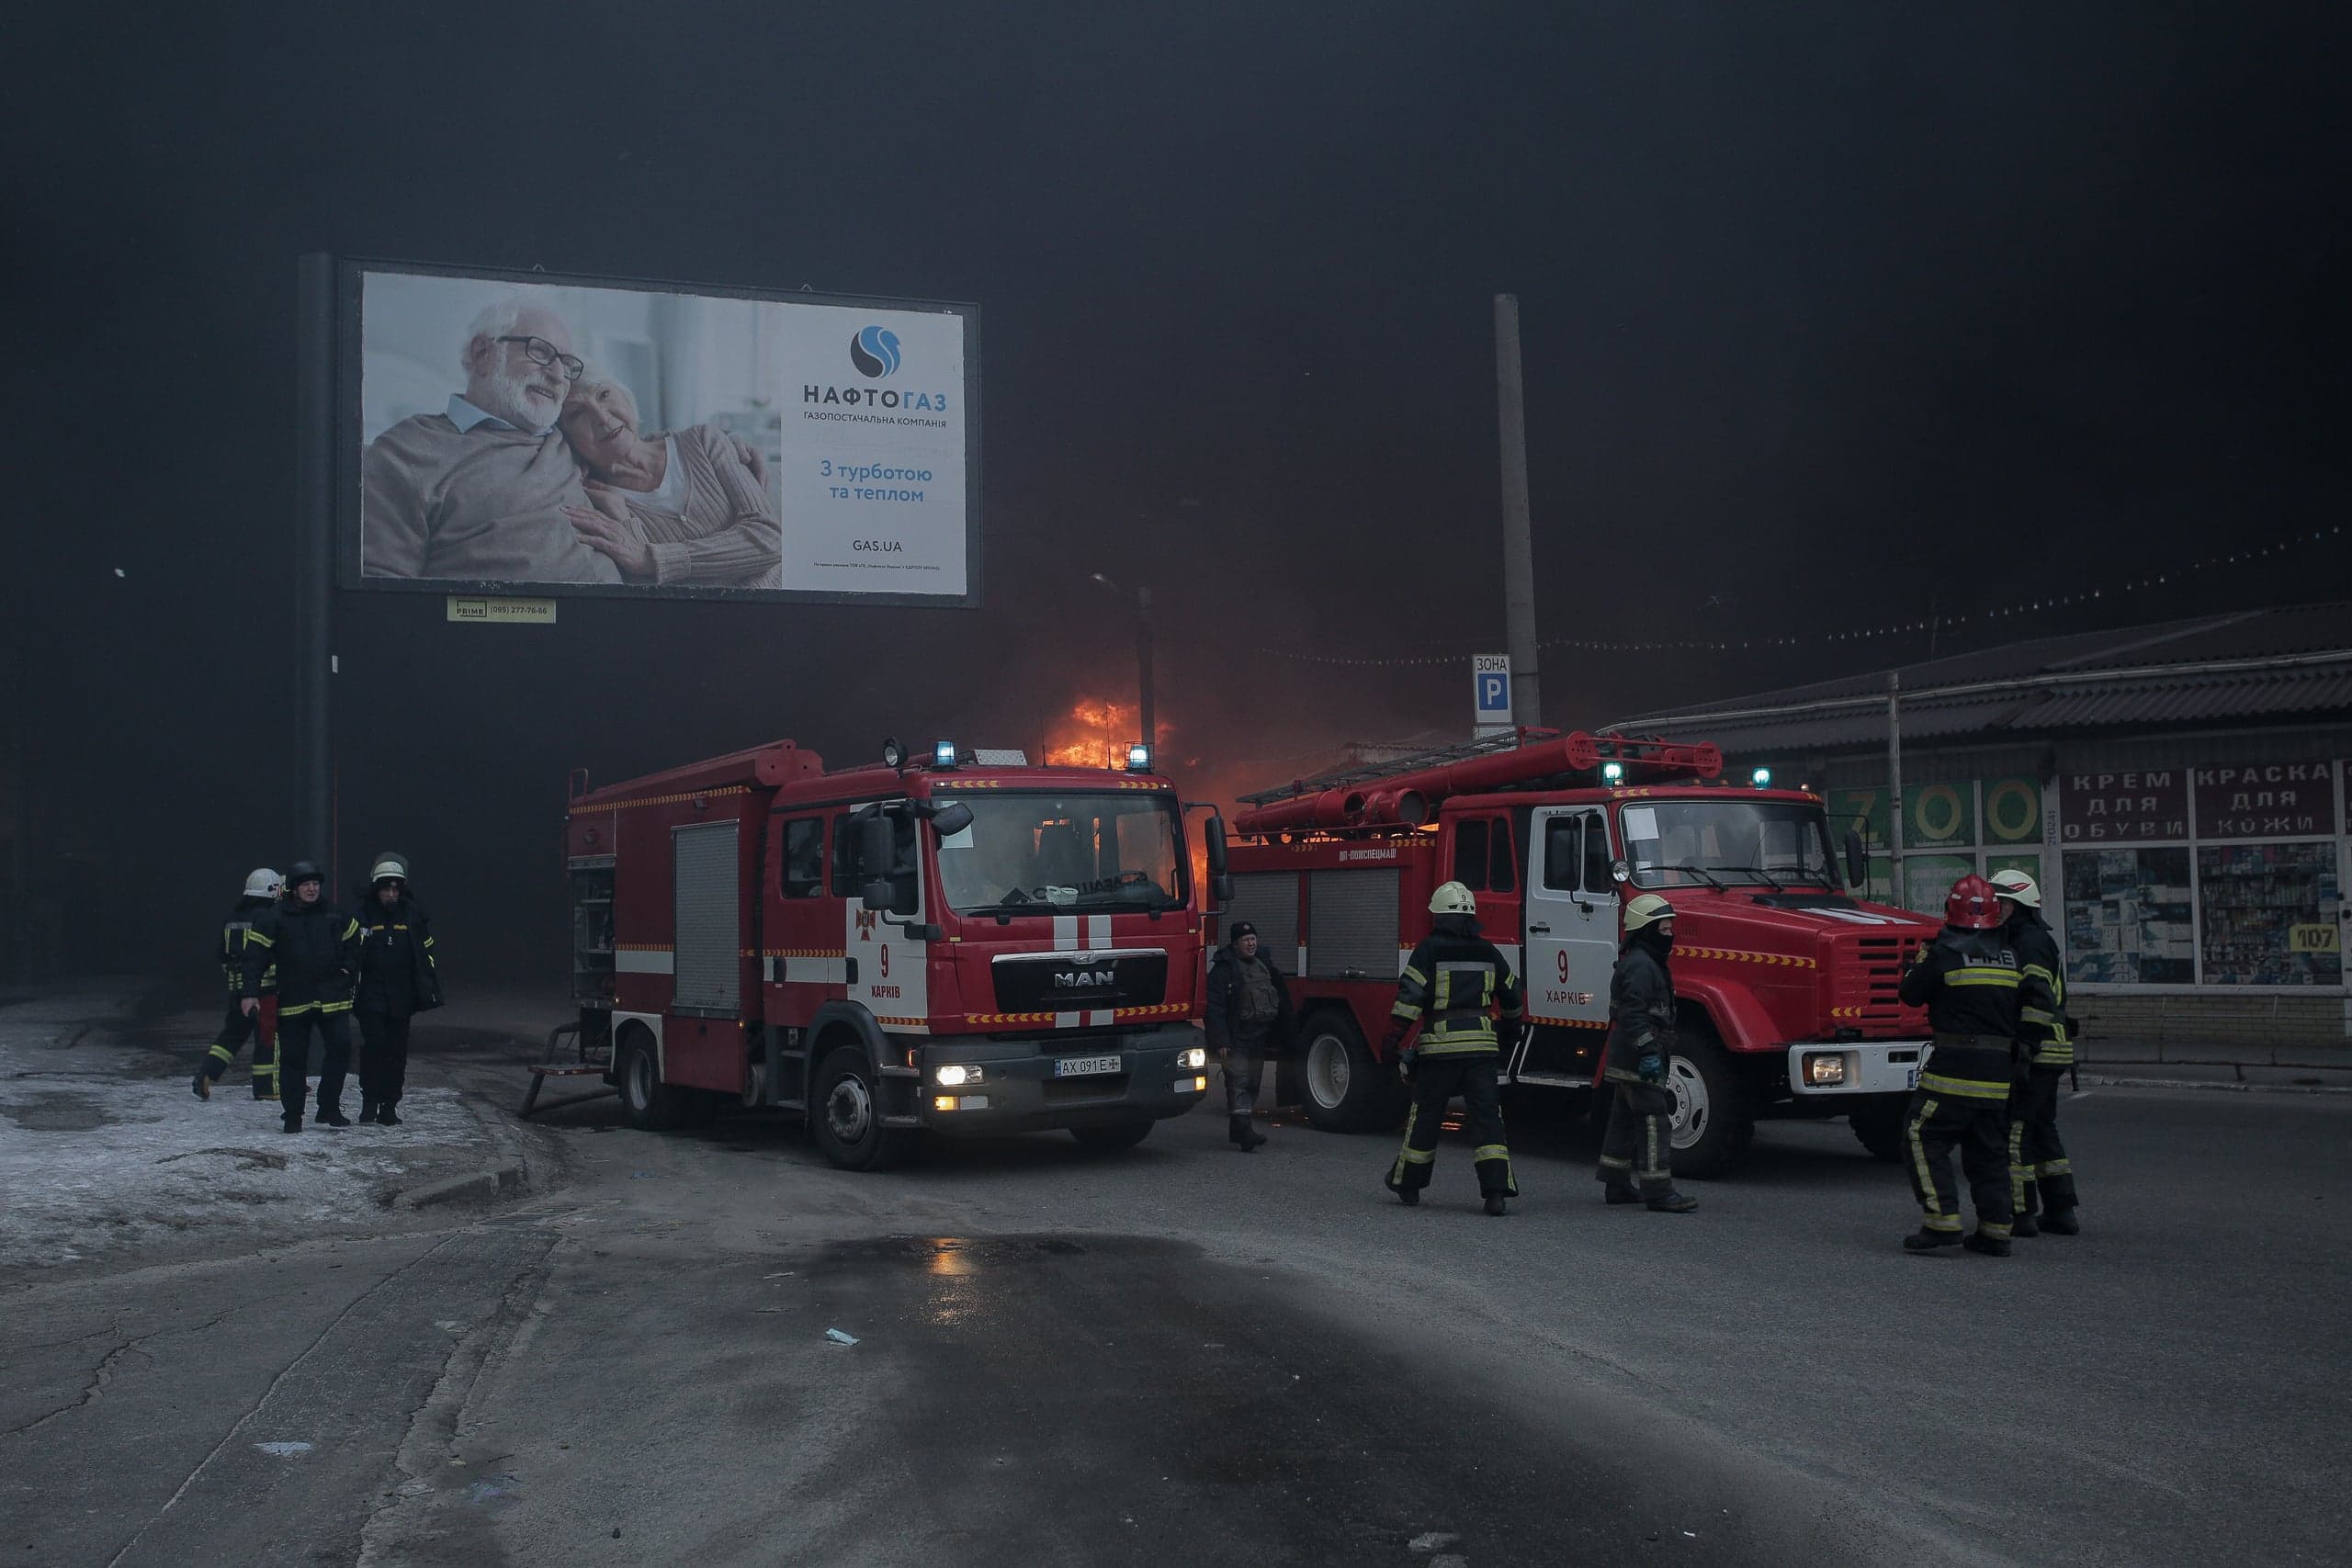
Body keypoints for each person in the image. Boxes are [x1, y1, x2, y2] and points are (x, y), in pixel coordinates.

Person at [362, 298, 629, 583]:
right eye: (540, 351)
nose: (557, 375)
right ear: (483, 353)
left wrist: (638, 541)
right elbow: (381, 586)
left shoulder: (576, 435)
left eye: (565, 364)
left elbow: (649, 465)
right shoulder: (404, 451)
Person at [1894, 874, 2052, 1257]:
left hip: (1953, 1069)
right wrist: (2026, 1052)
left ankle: (1942, 1221)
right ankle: (1995, 1232)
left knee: (1921, 1135)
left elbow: (1910, 994)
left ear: (1950, 909)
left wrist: (1916, 964)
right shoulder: (2011, 955)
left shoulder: (1944, 952)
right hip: (1999, 1073)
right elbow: (2038, 1005)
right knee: (1988, 1152)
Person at [558, 367, 784, 589]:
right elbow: (647, 590)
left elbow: (771, 539)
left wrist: (653, 559)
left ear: (625, 395)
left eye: (604, 394)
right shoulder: (598, 503)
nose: (602, 416)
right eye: (578, 413)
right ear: (566, 438)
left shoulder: (702, 441)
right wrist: (626, 521)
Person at [1382, 881, 1524, 1216]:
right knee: (1488, 1119)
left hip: (1440, 1050)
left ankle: (1408, 1183)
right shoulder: (1489, 951)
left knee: (1426, 1117)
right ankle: (1496, 1193)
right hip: (1482, 1051)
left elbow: (1409, 999)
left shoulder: (1428, 950)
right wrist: (1510, 1031)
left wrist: (1392, 1040)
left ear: (1439, 917)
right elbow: (1512, 995)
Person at [1594, 894, 1700, 1213]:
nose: (1670, 936)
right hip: (1638, 1057)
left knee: (1624, 1120)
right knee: (1655, 1121)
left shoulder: (1644, 961)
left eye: (1670, 929)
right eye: (1664, 930)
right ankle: (1658, 1191)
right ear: (1646, 930)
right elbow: (1633, 1015)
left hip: (1631, 1055)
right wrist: (1648, 1052)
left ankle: (1616, 1184)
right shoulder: (1642, 965)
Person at [241, 861, 361, 1134]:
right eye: (306, 884)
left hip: (332, 998)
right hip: (294, 999)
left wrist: (347, 970)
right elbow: (254, 957)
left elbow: (354, 941)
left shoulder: (334, 914)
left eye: (315, 884)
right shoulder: (274, 918)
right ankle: (293, 1115)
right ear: (293, 889)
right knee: (293, 1059)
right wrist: (250, 993)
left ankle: (329, 1108)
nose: (312, 889)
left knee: (341, 1049)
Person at [1992, 869, 2081, 1236]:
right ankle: (2061, 1210)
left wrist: (2025, 1049)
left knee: (2016, 1131)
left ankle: (2021, 1213)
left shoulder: (2029, 942)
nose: (1995, 909)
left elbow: (2037, 999)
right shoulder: (2024, 938)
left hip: (2038, 1050)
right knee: (2042, 1130)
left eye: (2001, 902)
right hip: (2049, 1049)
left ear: (2019, 906)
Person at [353, 852, 442, 1127]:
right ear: (376, 889)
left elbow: (425, 952)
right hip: (370, 995)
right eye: (386, 889)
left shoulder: (412, 915)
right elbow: (350, 952)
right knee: (375, 1047)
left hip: (402, 995)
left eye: (395, 889)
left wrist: (425, 986)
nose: (391, 894)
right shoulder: (362, 916)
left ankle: (389, 1106)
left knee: (397, 1052)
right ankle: (370, 1101)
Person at [194, 868, 281, 1102]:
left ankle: (206, 1073)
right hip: (265, 989)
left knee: (232, 1035)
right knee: (267, 1037)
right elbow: (271, 954)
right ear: (273, 890)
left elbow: (222, 955)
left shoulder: (232, 919)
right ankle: (266, 1087)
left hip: (238, 991)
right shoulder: (269, 918)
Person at [1204, 920, 1292, 1152]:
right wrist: (1220, 1040)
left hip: (1259, 1035)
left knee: (1253, 1082)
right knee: (1239, 1081)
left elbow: (1280, 996)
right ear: (1235, 944)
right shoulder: (1224, 970)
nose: (1251, 943)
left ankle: (1239, 1129)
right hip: (1237, 1037)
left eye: (1253, 939)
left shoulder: (1264, 965)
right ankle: (1244, 1131)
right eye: (1246, 940)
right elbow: (1215, 1007)